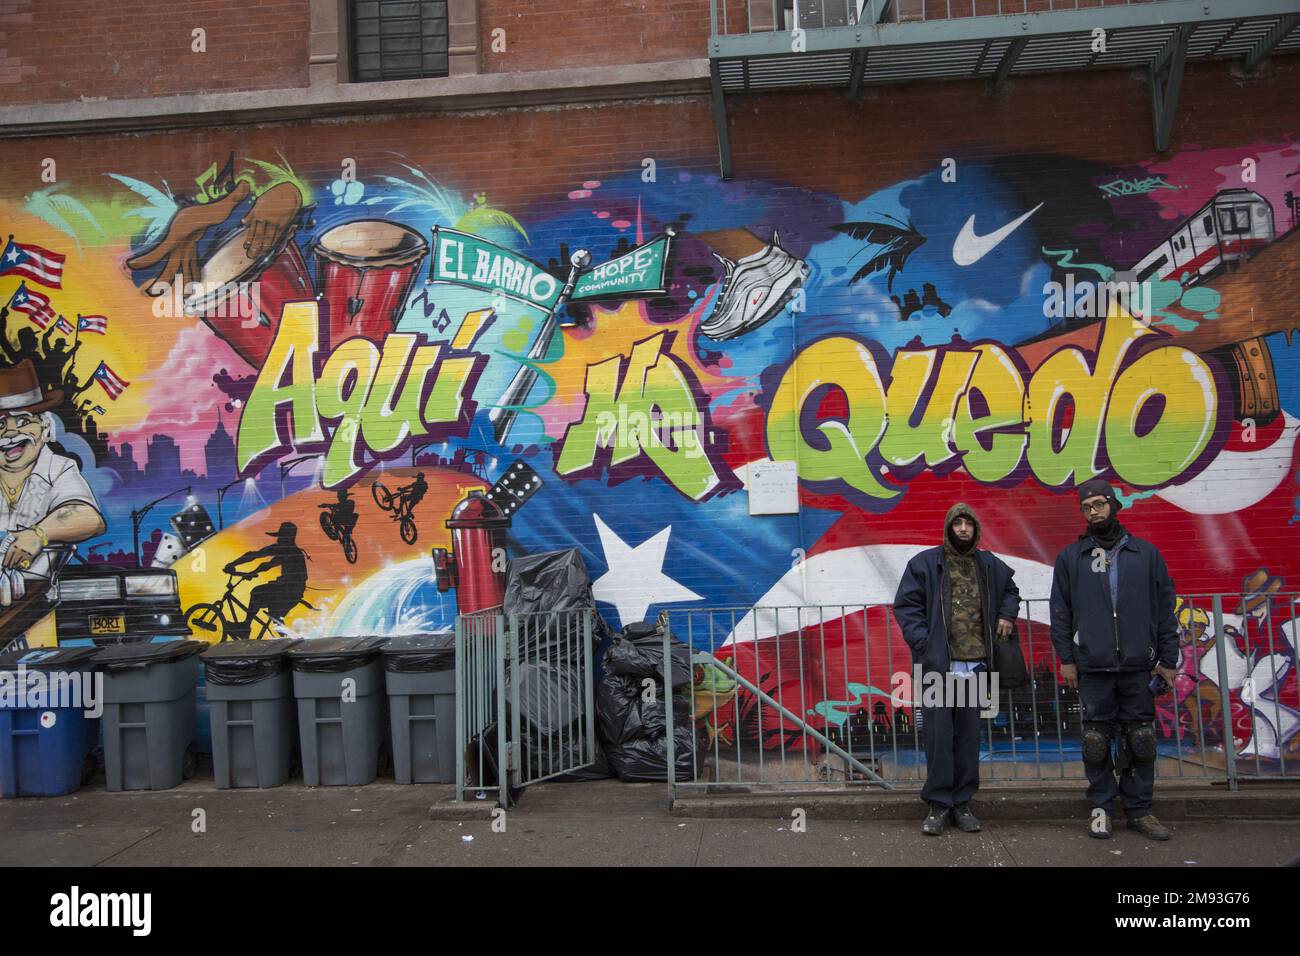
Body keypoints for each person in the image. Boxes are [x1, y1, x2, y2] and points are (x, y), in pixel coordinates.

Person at [1049, 480, 1179, 841]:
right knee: (1095, 742)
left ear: (1113, 505)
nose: (1094, 511)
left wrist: (1168, 660)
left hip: (1140, 666)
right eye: (1087, 506)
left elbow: (1165, 610)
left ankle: (1140, 811)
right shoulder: (1070, 559)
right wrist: (1066, 659)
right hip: (1093, 666)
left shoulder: (1146, 554)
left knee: (1141, 740)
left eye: (1099, 504)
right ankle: (1101, 809)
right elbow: (1060, 613)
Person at [893, 502, 1020, 836]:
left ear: (976, 529)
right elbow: (906, 606)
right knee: (937, 737)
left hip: (975, 665)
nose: (963, 529)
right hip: (937, 667)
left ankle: (962, 802)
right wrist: (924, 644)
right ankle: (938, 804)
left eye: (969, 524)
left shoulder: (989, 565)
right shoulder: (924, 564)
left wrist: (1006, 614)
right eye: (958, 524)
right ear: (949, 528)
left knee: (967, 738)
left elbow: (1011, 589)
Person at [0, 359, 106, 578]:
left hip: (37, 597)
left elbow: (89, 518)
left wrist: (38, 535)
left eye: (22, 421)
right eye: (0, 424)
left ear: (45, 427)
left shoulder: (58, 468)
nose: (10, 434)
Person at [223, 521, 308, 639]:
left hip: (289, 592)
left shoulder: (288, 550)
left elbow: (256, 556)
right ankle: (290, 640)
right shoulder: (290, 550)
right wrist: (251, 572)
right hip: (292, 591)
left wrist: (234, 565)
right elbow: (265, 564)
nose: (278, 540)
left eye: (281, 537)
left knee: (257, 592)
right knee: (276, 621)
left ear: (287, 538)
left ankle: (245, 628)